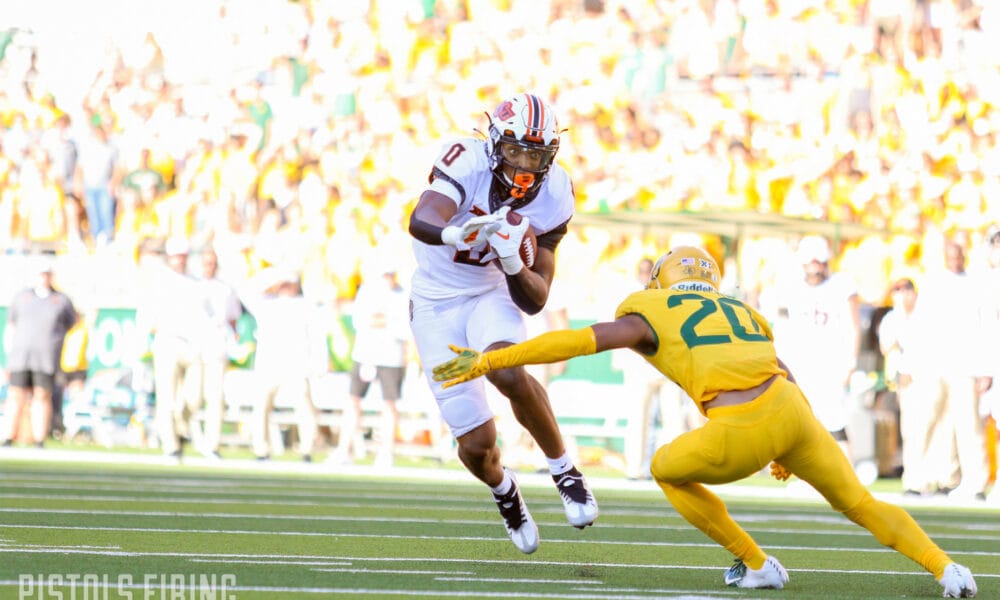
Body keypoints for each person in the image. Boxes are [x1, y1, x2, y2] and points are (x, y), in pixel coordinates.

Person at [432, 246, 978, 598]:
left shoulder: (651, 308)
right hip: (793, 412)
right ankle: (947, 569)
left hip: (740, 425)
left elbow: (580, 340)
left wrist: (493, 359)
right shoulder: (743, 310)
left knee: (664, 468)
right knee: (860, 503)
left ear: (664, 280)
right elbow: (781, 370)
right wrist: (795, 444)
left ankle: (755, 562)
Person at [407, 92, 597, 554]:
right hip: (435, 301)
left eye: (537, 155)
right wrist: (454, 232)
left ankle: (564, 469)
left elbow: (535, 299)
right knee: (477, 445)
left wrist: (512, 262)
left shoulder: (555, 193)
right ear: (494, 144)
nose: (525, 165)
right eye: (515, 150)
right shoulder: (467, 160)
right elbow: (421, 218)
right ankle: (505, 491)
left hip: (490, 291)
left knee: (507, 369)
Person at [912, 240, 993, 500]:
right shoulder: (932, 283)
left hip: (966, 364)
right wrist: (914, 362)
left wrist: (986, 368)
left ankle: (975, 482)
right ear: (944, 256)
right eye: (952, 255)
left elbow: (985, 327)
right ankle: (918, 478)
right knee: (927, 422)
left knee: (969, 425)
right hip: (934, 362)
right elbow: (920, 325)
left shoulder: (975, 284)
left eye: (959, 255)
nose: (956, 259)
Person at [774, 235, 863, 471]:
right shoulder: (791, 286)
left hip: (831, 364)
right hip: (800, 363)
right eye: (810, 262)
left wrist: (851, 361)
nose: (815, 267)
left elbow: (853, 326)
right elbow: (783, 327)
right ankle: (812, 476)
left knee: (834, 424)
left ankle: (847, 474)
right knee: (803, 424)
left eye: (818, 262)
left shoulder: (841, 285)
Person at [239, 267, 325, 462]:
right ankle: (261, 449)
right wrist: (272, 278)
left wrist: (318, 362)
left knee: (304, 406)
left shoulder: (306, 305)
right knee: (261, 405)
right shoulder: (267, 303)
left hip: (297, 363)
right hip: (269, 363)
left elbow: (317, 336)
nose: (285, 287)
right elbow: (245, 291)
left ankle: (307, 449)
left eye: (289, 283)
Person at [877, 278, 954, 496]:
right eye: (898, 290)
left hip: (932, 377)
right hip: (907, 381)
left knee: (935, 429)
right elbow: (886, 346)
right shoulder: (892, 319)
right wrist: (901, 313)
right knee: (912, 432)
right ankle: (914, 481)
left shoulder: (927, 314)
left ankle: (938, 479)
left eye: (906, 290)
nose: (902, 294)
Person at [135, 237, 210, 461]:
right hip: (167, 341)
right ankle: (171, 446)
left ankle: (180, 425)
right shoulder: (159, 281)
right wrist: (146, 337)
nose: (180, 260)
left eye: (183, 256)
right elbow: (146, 313)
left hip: (193, 344)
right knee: (166, 397)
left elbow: (206, 315)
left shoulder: (196, 282)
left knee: (195, 397)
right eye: (177, 256)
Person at [329, 265, 410, 468]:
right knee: (353, 401)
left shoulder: (403, 295)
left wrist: (383, 320)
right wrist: (384, 320)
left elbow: (405, 328)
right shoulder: (367, 292)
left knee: (389, 405)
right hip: (365, 354)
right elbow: (360, 321)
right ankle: (344, 449)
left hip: (391, 356)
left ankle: (386, 452)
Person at [0, 257, 78, 447]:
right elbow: (11, 327)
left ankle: (39, 439)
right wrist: (9, 356)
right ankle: (8, 436)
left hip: (46, 359)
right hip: (21, 357)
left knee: (42, 395)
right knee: (15, 395)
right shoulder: (21, 297)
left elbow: (72, 326)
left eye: (46, 274)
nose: (43, 278)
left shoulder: (61, 300)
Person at [195, 247, 242, 460]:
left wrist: (233, 339)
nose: (210, 267)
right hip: (193, 346)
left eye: (213, 263)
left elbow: (233, 318)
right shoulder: (191, 285)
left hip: (216, 346)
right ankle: (187, 432)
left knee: (215, 398)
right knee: (192, 397)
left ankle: (211, 444)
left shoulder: (225, 289)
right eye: (206, 263)